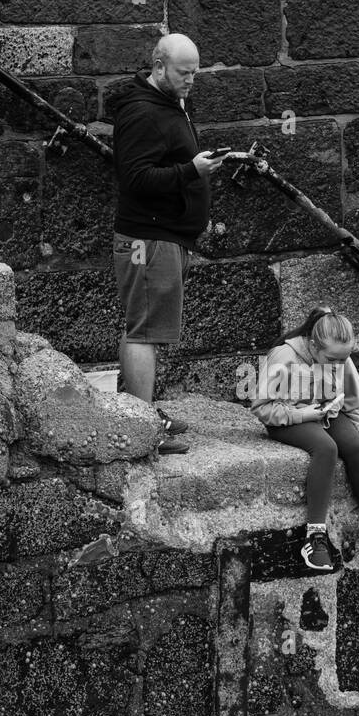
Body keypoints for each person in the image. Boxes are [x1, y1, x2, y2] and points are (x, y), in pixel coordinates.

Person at [110, 33, 224, 453]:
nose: (192, 80)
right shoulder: (142, 112)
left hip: (165, 238)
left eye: (195, 73)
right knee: (143, 332)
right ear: (159, 67)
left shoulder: (170, 102)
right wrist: (191, 171)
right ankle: (142, 432)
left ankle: (143, 414)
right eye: (184, 73)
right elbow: (135, 180)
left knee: (146, 329)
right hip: (147, 238)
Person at [250, 307, 359, 571]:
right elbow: (262, 408)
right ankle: (315, 535)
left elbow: (355, 405)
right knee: (326, 447)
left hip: (327, 413)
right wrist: (306, 413)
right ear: (312, 345)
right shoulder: (284, 355)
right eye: (331, 359)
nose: (338, 366)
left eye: (343, 360)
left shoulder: (340, 358)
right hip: (288, 418)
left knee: (356, 446)